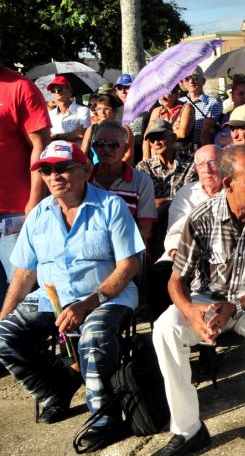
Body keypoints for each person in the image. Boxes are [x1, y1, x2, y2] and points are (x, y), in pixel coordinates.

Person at [0, 141, 142, 452]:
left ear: (85, 171)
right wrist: (5, 313)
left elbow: (130, 264)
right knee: (3, 335)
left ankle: (104, 419)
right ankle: (56, 389)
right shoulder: (39, 215)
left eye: (63, 168)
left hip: (106, 297)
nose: (54, 175)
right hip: (53, 300)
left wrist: (87, 303)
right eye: (47, 170)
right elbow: (24, 273)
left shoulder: (110, 206)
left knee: (93, 337)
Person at [152, 145, 245, 456]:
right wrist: (190, 311)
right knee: (164, 328)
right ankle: (188, 430)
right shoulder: (202, 217)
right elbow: (176, 280)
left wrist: (237, 304)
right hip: (208, 299)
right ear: (229, 184)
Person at [0, 62, 51, 303]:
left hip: (12, 212)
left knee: (19, 290)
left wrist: (34, 200)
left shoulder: (20, 87)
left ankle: (19, 340)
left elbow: (40, 146)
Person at [154, 145, 224, 318]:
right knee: (159, 274)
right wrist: (176, 252)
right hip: (185, 252)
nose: (207, 169)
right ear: (196, 168)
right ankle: (168, 325)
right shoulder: (186, 193)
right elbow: (175, 231)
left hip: (219, 254)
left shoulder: (233, 191)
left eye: (212, 163)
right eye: (201, 165)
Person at [88, 121, 157, 242]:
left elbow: (144, 230)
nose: (105, 149)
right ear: (93, 147)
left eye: (112, 145)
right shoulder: (84, 180)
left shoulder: (142, 182)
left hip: (128, 250)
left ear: (125, 149)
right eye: (99, 144)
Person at [136, 119, 197, 209]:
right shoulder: (144, 167)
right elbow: (143, 201)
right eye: (152, 140)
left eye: (161, 137)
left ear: (173, 138)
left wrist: (161, 204)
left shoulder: (190, 165)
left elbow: (189, 199)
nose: (156, 143)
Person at [143, 87, 194, 160]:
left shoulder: (186, 108)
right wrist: (146, 158)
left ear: (175, 93)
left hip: (180, 155)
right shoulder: (157, 111)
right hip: (157, 157)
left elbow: (183, 133)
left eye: (165, 94)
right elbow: (147, 136)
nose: (162, 98)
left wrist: (158, 135)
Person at [82, 94, 135, 164]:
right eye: (99, 109)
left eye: (107, 109)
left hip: (118, 171)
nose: (102, 112)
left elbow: (128, 156)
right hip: (95, 171)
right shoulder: (91, 129)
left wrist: (112, 170)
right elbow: (83, 154)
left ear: (115, 111)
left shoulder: (124, 129)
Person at [180, 67, 222, 147]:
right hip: (181, 150)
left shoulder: (213, 103)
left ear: (203, 81)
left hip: (203, 148)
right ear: (183, 82)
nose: (191, 81)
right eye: (187, 78)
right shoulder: (180, 102)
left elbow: (215, 131)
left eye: (195, 78)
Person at [46, 76, 91, 143]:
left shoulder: (83, 110)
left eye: (59, 89)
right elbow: (46, 138)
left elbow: (82, 134)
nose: (56, 92)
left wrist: (55, 137)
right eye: (53, 91)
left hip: (75, 153)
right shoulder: (50, 114)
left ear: (70, 91)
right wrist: (73, 134)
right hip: (54, 153)